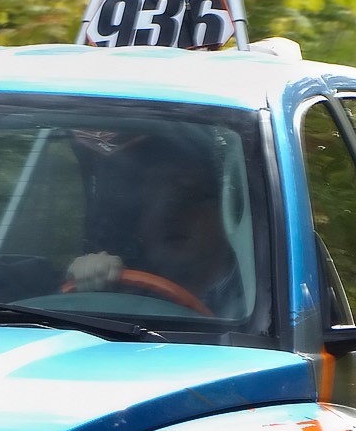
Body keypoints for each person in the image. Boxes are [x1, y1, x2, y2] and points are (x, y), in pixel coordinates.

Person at [65, 132, 244, 316]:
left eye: (186, 196)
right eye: (150, 200)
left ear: (224, 210)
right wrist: (91, 284)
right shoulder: (124, 288)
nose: (167, 215)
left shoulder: (256, 296)